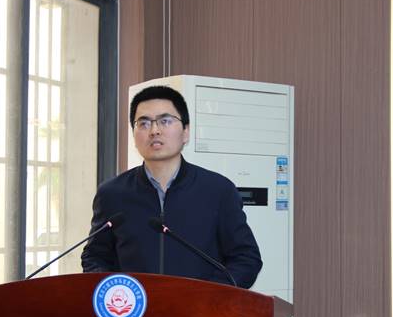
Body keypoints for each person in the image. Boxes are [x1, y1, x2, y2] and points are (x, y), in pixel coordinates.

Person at [80, 85, 262, 288]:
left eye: (165, 121)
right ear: (134, 135)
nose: (154, 131)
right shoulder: (112, 194)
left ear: (185, 132)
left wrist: (208, 295)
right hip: (136, 306)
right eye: (144, 123)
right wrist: (118, 293)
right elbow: (95, 257)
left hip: (200, 306)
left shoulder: (219, 190)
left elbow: (246, 258)